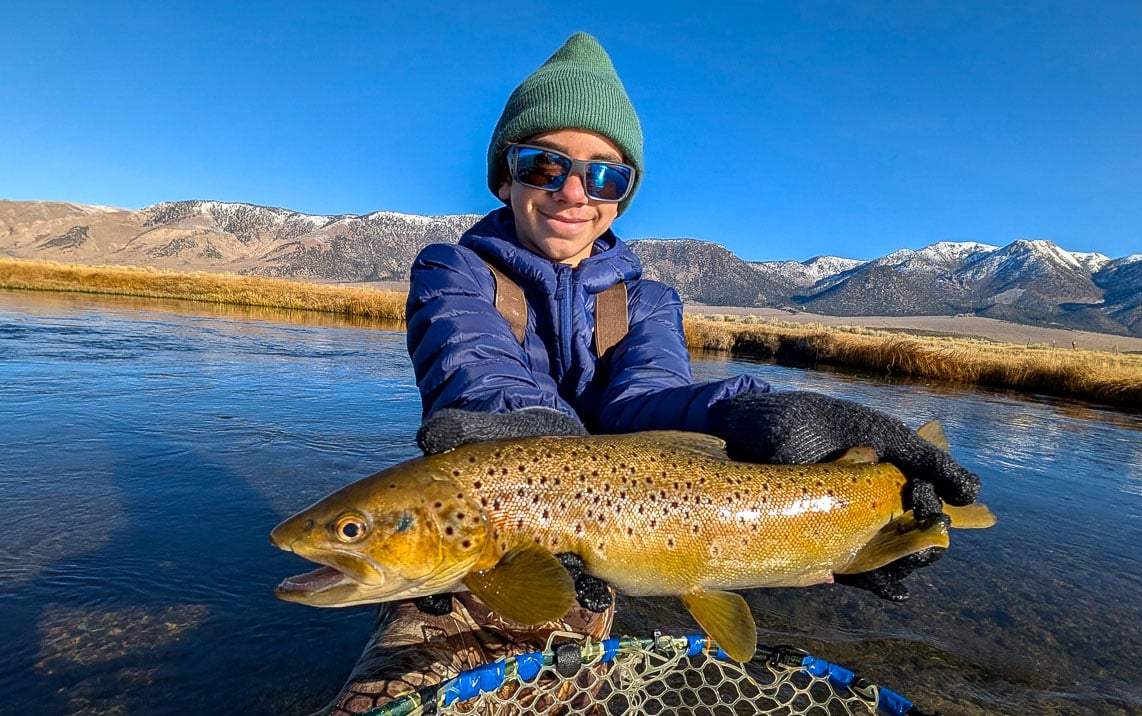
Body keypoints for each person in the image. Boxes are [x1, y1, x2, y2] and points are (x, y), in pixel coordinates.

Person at [320, 32, 980, 715]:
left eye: (605, 174)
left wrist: (755, 419)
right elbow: (476, 370)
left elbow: (651, 400)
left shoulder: (650, 302)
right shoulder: (451, 273)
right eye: (544, 164)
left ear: (622, 195)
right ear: (504, 176)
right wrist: (532, 449)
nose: (574, 191)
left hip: (604, 558)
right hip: (473, 550)